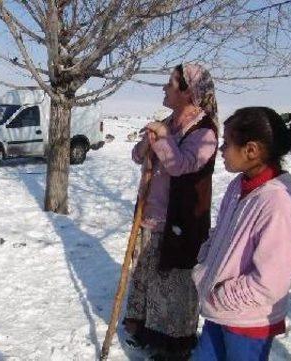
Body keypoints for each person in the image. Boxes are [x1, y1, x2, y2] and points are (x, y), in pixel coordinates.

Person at [191, 108, 291, 361]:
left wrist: (224, 294)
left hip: (249, 322)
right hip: (220, 310)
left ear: (251, 150)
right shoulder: (239, 185)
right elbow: (221, 231)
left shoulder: (278, 203)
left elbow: (271, 282)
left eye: (226, 144)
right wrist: (205, 263)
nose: (221, 150)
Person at [123, 63, 219, 359]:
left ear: (188, 92)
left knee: (174, 284)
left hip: (181, 220)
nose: (164, 88)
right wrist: (145, 145)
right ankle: (144, 330)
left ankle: (172, 345)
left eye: (170, 83)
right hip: (151, 214)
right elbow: (139, 156)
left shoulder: (204, 131)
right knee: (146, 276)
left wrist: (163, 138)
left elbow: (182, 166)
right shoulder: (170, 121)